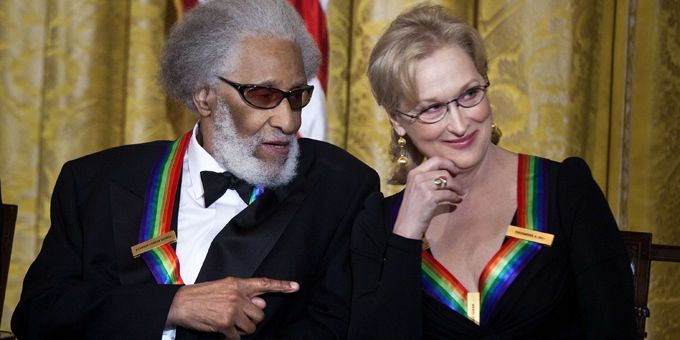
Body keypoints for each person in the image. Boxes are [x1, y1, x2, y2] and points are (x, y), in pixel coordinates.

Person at [11, 1, 379, 339]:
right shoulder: (95, 181)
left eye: (297, 96)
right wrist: (173, 306)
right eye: (263, 96)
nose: (287, 120)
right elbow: (38, 316)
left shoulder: (340, 187)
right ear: (205, 96)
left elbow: (339, 328)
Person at [348, 4, 635, 339]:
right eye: (433, 108)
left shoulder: (563, 191)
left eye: (470, 94)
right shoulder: (380, 225)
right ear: (397, 121)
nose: (459, 124)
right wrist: (407, 232)